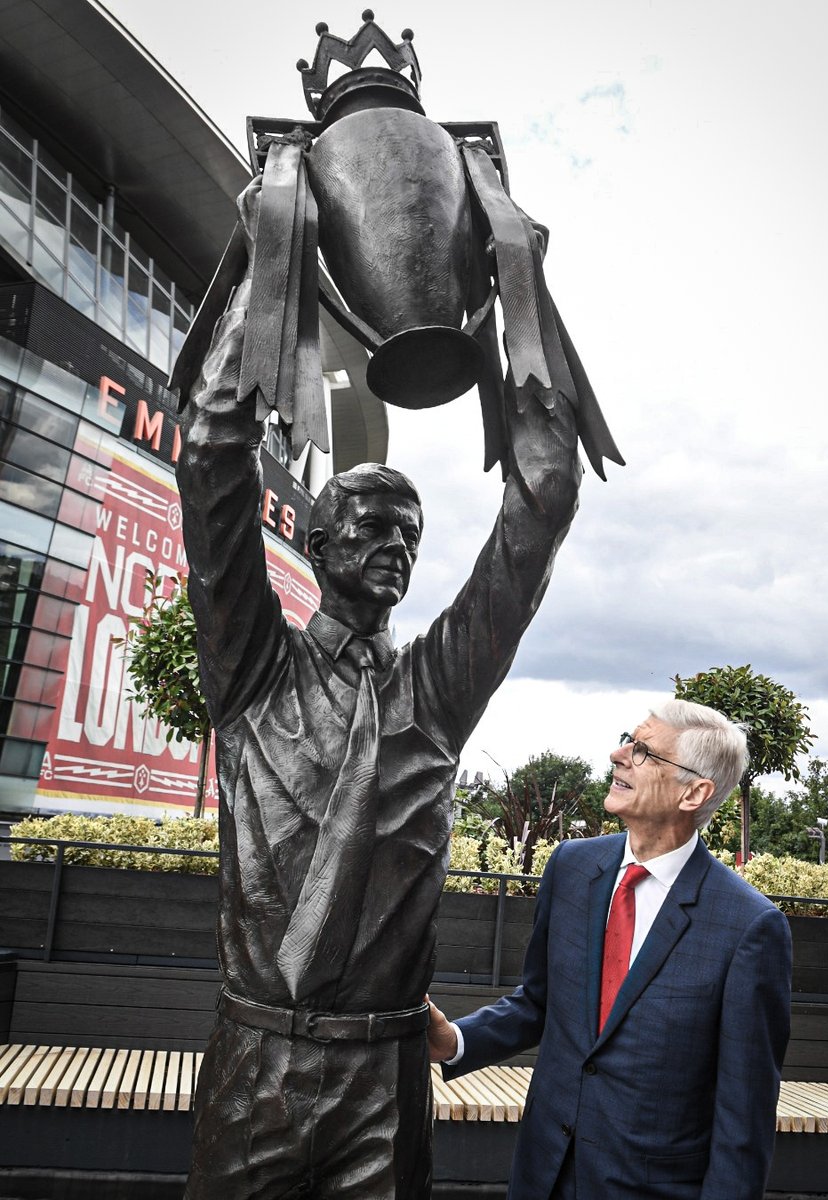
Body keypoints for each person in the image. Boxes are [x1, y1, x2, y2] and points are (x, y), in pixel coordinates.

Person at [176, 175, 582, 1199]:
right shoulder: (253, 669)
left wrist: (518, 277)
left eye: (412, 529)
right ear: (312, 543)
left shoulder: (435, 694)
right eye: (368, 522)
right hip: (255, 1069)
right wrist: (281, 246)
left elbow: (542, 501)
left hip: (387, 1083)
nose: (396, 541)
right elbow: (212, 448)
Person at [429, 700, 792, 1200]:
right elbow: (538, 1002)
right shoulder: (571, 868)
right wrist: (454, 1040)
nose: (618, 754)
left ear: (695, 792)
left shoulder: (750, 928)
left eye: (644, 752)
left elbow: (744, 1120)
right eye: (629, 738)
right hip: (541, 1177)